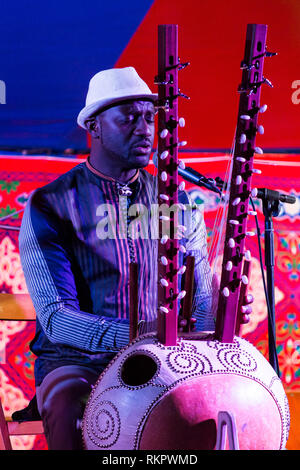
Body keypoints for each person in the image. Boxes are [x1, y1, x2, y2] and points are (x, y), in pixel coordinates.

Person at [19, 67, 252, 450]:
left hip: (164, 361)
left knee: (218, 406)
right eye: (128, 116)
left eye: (149, 116)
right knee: (73, 407)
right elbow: (57, 318)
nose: (145, 127)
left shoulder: (175, 201)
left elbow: (202, 302)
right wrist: (141, 336)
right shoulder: (52, 204)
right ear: (93, 125)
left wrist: (213, 328)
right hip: (78, 363)